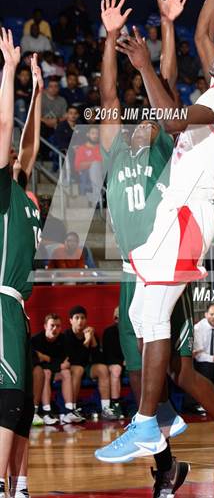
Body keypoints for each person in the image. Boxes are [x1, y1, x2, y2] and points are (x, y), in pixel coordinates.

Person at [94, 0, 214, 487]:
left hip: (183, 225)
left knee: (171, 356)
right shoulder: (118, 146)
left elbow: (166, 88)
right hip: (152, 246)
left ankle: (162, 428)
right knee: (145, 323)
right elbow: (203, 35)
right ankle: (160, 443)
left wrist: (154, 43)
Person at [0, 30, 42, 498]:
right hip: (2, 302)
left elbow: (28, 143)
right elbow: (9, 132)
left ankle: (21, 484)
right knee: (9, 401)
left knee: (23, 405)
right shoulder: (2, 191)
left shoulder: (25, 190)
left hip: (18, 308)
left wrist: (37, 90)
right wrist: (9, 71)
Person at [64, 306, 118, 420]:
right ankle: (71, 410)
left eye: (83, 318)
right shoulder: (67, 335)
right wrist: (86, 341)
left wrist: (92, 339)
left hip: (88, 368)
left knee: (103, 368)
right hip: (73, 369)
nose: (80, 321)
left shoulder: (90, 334)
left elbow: (98, 359)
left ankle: (106, 409)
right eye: (77, 318)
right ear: (71, 320)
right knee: (78, 369)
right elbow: (76, 360)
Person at [31, 314, 84, 426]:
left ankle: (69, 411)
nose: (55, 329)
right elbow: (37, 362)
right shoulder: (36, 340)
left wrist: (47, 358)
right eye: (52, 325)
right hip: (42, 374)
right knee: (46, 372)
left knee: (66, 372)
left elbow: (66, 361)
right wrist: (55, 363)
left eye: (58, 326)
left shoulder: (63, 339)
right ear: (45, 326)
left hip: (55, 371)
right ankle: (46, 412)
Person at [102, 308, 125, 419]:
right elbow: (109, 355)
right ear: (116, 319)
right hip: (113, 363)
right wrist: (122, 362)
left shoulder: (132, 332)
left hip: (128, 363)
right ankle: (116, 404)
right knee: (117, 369)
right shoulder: (109, 332)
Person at [73, 125, 103, 204]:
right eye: (93, 133)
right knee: (95, 165)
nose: (95, 136)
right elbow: (78, 166)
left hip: (102, 173)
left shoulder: (102, 148)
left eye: (97, 133)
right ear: (88, 134)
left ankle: (98, 198)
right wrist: (93, 163)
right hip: (86, 175)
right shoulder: (82, 149)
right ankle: (98, 198)